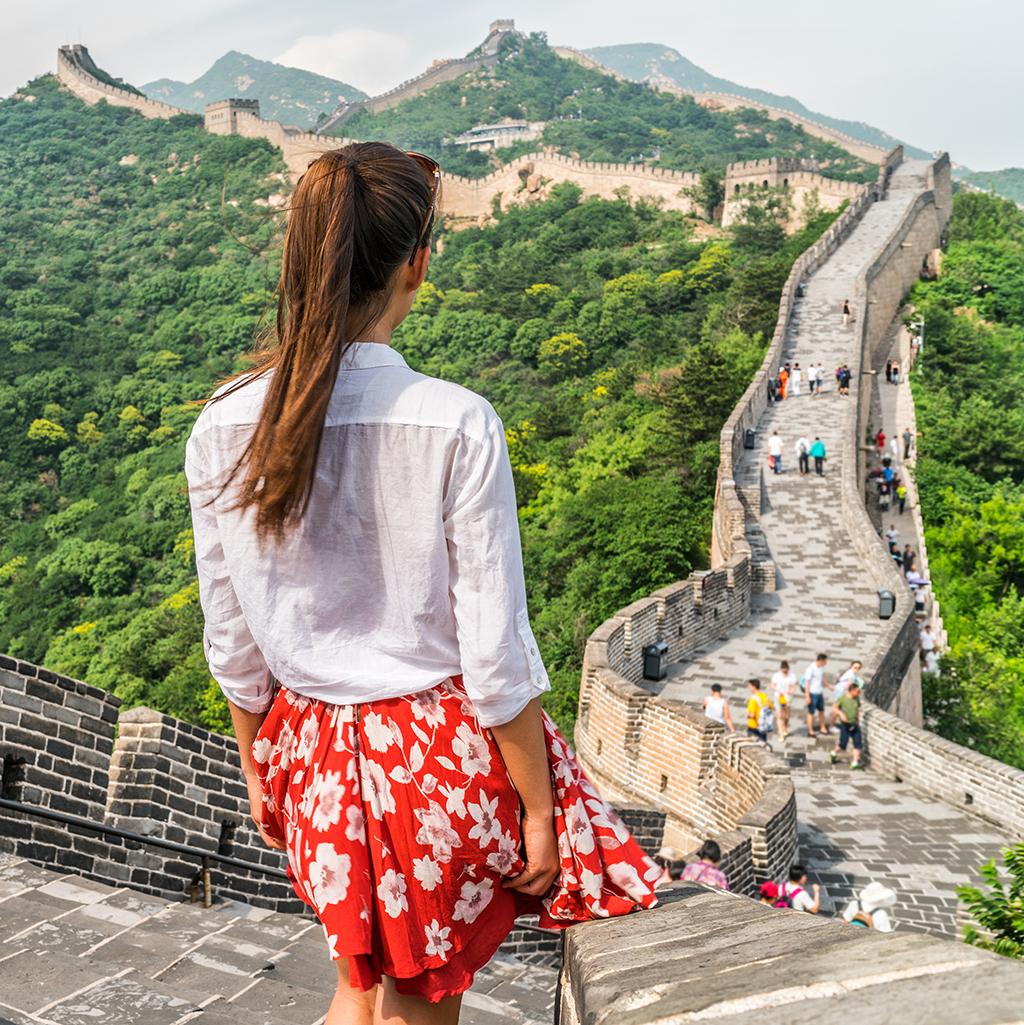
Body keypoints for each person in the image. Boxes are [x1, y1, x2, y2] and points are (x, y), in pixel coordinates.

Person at [184, 143, 658, 1022]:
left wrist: (259, 767)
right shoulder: (456, 423)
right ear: (419, 262)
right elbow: (495, 658)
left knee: (358, 993)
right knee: (417, 1009)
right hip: (434, 765)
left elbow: (232, 638)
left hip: (309, 756)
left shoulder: (222, 424)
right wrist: (542, 814)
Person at [829, 681, 864, 769]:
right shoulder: (843, 699)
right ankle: (834, 753)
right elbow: (834, 708)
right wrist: (840, 714)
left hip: (855, 724)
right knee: (843, 744)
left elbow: (857, 710)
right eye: (857, 691)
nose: (858, 693)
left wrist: (858, 721)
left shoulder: (857, 699)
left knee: (858, 743)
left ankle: (855, 762)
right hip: (845, 725)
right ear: (851, 690)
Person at [803, 653, 829, 737]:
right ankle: (810, 730)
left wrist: (828, 686)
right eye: (825, 661)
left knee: (821, 711)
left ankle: (822, 727)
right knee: (811, 712)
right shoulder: (811, 669)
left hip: (819, 692)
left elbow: (821, 678)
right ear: (820, 661)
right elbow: (807, 683)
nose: (826, 663)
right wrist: (807, 696)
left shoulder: (821, 668)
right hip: (812, 693)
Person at [770, 660, 797, 740]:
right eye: (783, 671)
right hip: (778, 696)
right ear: (781, 669)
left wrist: (791, 691)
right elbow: (772, 685)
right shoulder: (776, 675)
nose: (785, 673)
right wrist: (778, 690)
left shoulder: (792, 676)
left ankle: (785, 726)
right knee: (779, 716)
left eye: (786, 671)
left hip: (788, 697)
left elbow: (794, 686)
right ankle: (781, 733)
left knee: (787, 716)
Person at [746, 678, 772, 742]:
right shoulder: (765, 696)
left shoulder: (753, 699)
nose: (748, 687)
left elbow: (752, 715)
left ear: (753, 687)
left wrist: (748, 715)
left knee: (752, 745)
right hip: (763, 725)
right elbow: (770, 707)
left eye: (749, 686)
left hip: (754, 726)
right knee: (763, 743)